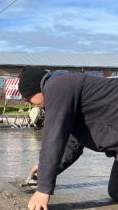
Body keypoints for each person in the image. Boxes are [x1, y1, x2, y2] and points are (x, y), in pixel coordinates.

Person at [18, 67, 118, 210]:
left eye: (27, 98)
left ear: (36, 89)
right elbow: (72, 142)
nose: (29, 103)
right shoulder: (65, 90)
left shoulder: (58, 87)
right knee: (116, 191)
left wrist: (43, 190)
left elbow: (53, 137)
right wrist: (47, 170)